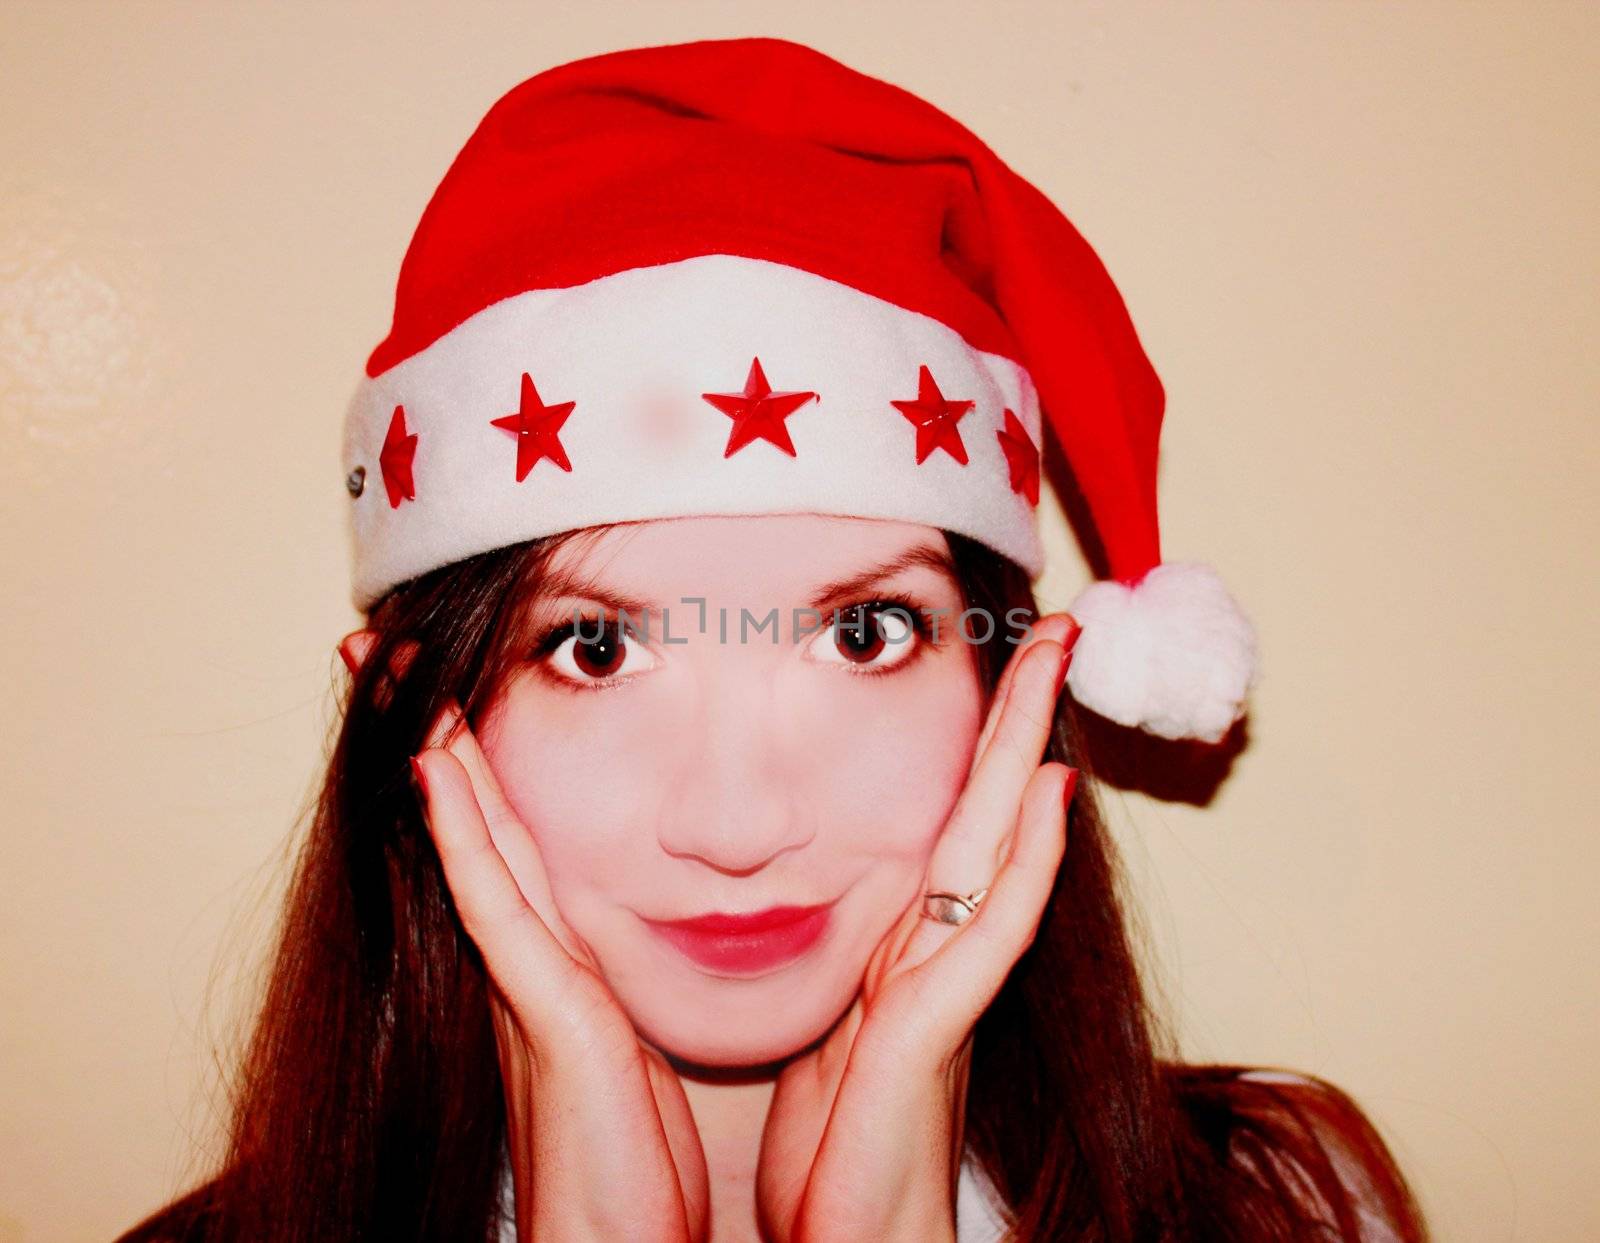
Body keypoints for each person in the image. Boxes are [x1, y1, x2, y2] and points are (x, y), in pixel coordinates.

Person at [116, 35, 1429, 1243]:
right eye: (594, 651)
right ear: (421, 712)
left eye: (862, 632)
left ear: (1008, 681)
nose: (738, 825)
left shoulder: (1280, 1211)